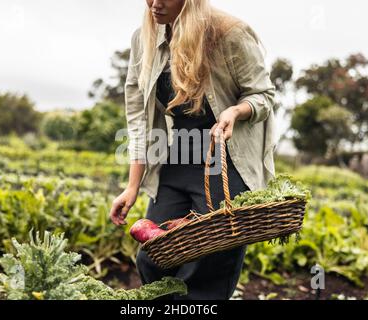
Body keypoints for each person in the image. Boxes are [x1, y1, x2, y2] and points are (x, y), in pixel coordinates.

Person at [110, 0, 276, 300]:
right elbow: (138, 118)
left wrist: (235, 112)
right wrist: (132, 185)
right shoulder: (144, 37)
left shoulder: (229, 33)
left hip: (226, 155)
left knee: (209, 266)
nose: (154, 4)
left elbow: (263, 94)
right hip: (180, 152)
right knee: (156, 256)